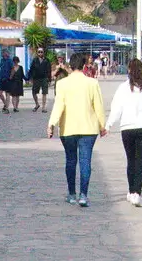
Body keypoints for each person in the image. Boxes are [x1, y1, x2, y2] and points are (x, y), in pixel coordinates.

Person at [45, 52, 107, 207]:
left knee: (71, 160)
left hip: (68, 128)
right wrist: (102, 125)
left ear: (70, 66)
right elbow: (98, 106)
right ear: (84, 65)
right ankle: (83, 195)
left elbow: (59, 105)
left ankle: (72, 194)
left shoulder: (63, 84)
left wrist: (51, 124)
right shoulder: (92, 83)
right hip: (89, 128)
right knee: (86, 161)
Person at [106, 59, 142, 207]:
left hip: (127, 128)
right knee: (141, 161)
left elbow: (116, 108)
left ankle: (131, 190)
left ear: (129, 70)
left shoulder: (123, 88)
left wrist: (108, 124)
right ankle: (137, 193)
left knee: (131, 160)